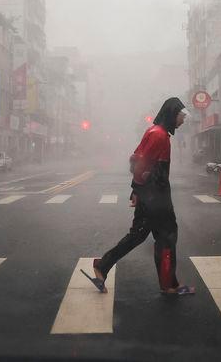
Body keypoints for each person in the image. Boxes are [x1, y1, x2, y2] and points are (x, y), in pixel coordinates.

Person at [84, 97, 195, 296]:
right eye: (181, 116)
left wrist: (136, 190)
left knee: (140, 235)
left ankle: (103, 265)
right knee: (167, 237)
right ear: (172, 114)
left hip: (150, 194)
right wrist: (139, 189)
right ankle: (169, 285)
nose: (183, 120)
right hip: (156, 197)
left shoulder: (156, 133)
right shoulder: (159, 135)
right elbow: (140, 162)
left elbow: (137, 159)